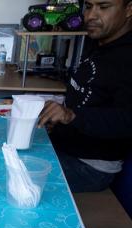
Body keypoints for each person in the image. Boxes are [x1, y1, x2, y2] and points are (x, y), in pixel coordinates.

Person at [38, 0, 132, 192]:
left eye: (103, 7)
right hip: (63, 147)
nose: (90, 16)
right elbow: (86, 95)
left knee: (3, 171)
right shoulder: (98, 43)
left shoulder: (127, 58)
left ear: (129, 9)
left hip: (90, 167)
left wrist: (70, 116)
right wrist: (48, 108)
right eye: (88, 6)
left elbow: (127, 120)